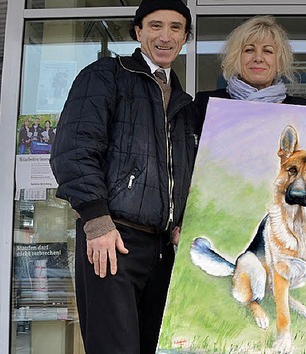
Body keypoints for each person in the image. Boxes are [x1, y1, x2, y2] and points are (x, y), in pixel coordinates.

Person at [49, 1, 196, 353]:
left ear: (185, 37)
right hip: (112, 239)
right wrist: (96, 219)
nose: (165, 36)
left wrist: (182, 221)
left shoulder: (183, 102)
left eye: (176, 28)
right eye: (155, 25)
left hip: (162, 250)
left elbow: (185, 171)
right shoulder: (106, 75)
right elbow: (74, 149)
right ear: (138, 31)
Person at [195, 15, 306, 118]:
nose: (258, 58)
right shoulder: (206, 104)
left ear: (279, 62)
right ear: (236, 58)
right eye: (249, 50)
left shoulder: (300, 109)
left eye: (268, 51)